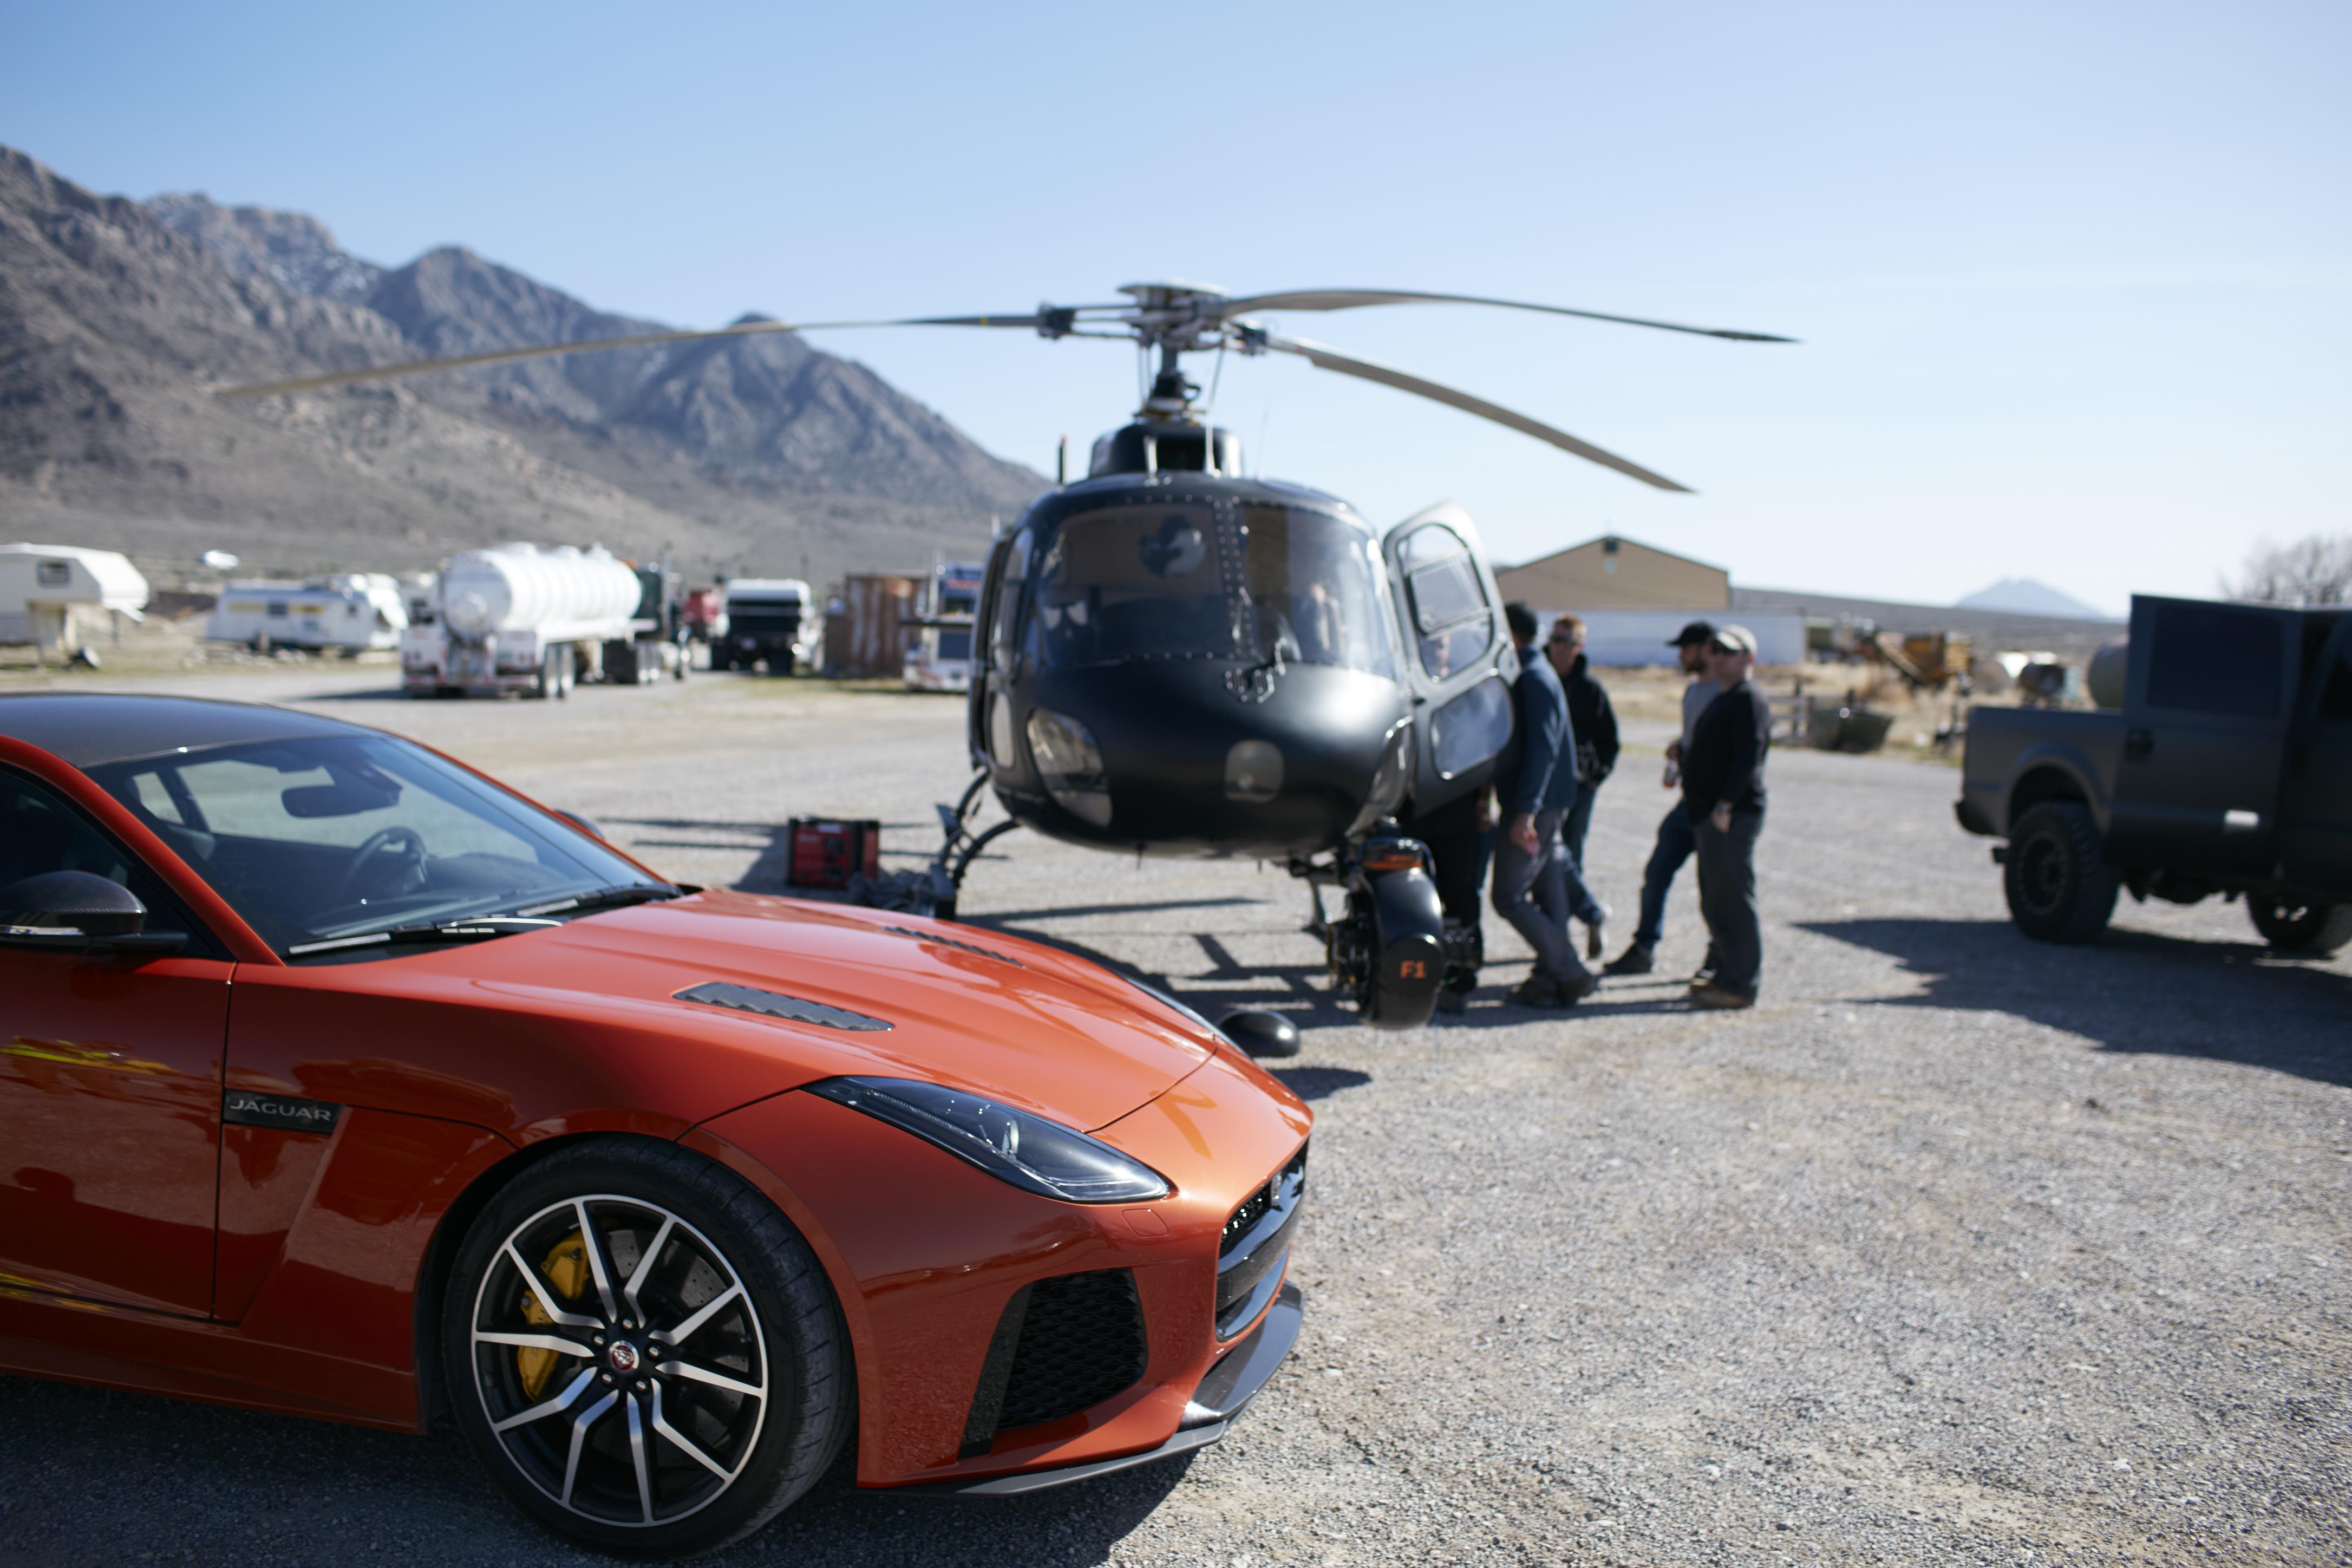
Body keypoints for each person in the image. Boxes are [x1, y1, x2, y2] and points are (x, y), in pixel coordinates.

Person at [1491, 602, 1596, 1008]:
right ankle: (1555, 978)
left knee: (1508, 897)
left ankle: (1569, 970)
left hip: (1536, 806)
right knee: (1550, 897)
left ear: (1510, 633)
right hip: (1545, 803)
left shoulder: (1532, 677)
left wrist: (1526, 812)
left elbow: (1543, 751)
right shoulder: (1537, 672)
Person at [1603, 620, 1720, 977]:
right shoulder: (1693, 691)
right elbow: (1694, 740)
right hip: (1689, 802)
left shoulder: (1725, 693)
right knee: (1657, 872)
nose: (1681, 656)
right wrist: (1678, 749)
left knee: (1713, 885)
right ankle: (1644, 948)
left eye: (1686, 649)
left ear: (1705, 649)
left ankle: (1720, 954)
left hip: (1714, 807)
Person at [1682, 625, 1769, 1008]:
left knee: (1734, 899)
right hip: (1708, 813)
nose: (1718, 659)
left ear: (1749, 659)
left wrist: (1725, 805)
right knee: (1715, 900)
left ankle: (1741, 984)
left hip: (1730, 816)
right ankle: (1724, 975)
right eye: (1714, 652)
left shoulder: (1749, 700)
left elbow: (1748, 761)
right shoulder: (1725, 696)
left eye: (1728, 653)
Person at [1543, 615, 1617, 959]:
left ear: (1579, 647)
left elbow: (1610, 741)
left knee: (1569, 853)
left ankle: (1570, 928)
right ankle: (1583, 916)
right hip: (1541, 787)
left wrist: (1595, 777)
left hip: (1578, 788)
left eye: (1567, 642)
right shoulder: (1536, 679)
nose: (1559, 648)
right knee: (1543, 857)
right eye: (1556, 640)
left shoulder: (1590, 689)